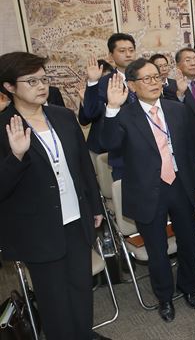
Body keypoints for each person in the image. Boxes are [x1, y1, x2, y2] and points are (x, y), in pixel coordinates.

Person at [0, 52, 107, 340]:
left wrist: (95, 206)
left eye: (43, 79)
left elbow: (84, 166)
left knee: (81, 289)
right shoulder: (3, 127)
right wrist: (17, 156)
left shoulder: (62, 116)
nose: (41, 85)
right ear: (9, 87)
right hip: (38, 229)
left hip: (76, 219)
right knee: (55, 301)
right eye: (31, 81)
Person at [101, 58, 195, 322]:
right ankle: (165, 298)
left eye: (156, 77)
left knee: (189, 242)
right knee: (157, 251)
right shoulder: (124, 115)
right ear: (132, 86)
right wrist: (112, 107)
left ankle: (189, 287)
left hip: (180, 185)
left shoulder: (176, 109)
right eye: (146, 79)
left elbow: (190, 150)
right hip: (148, 190)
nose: (154, 83)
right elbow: (109, 142)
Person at [95, 33, 138, 180]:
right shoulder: (104, 83)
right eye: (122, 51)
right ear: (111, 55)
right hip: (122, 155)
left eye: (131, 50)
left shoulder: (144, 80)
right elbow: (95, 115)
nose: (128, 54)